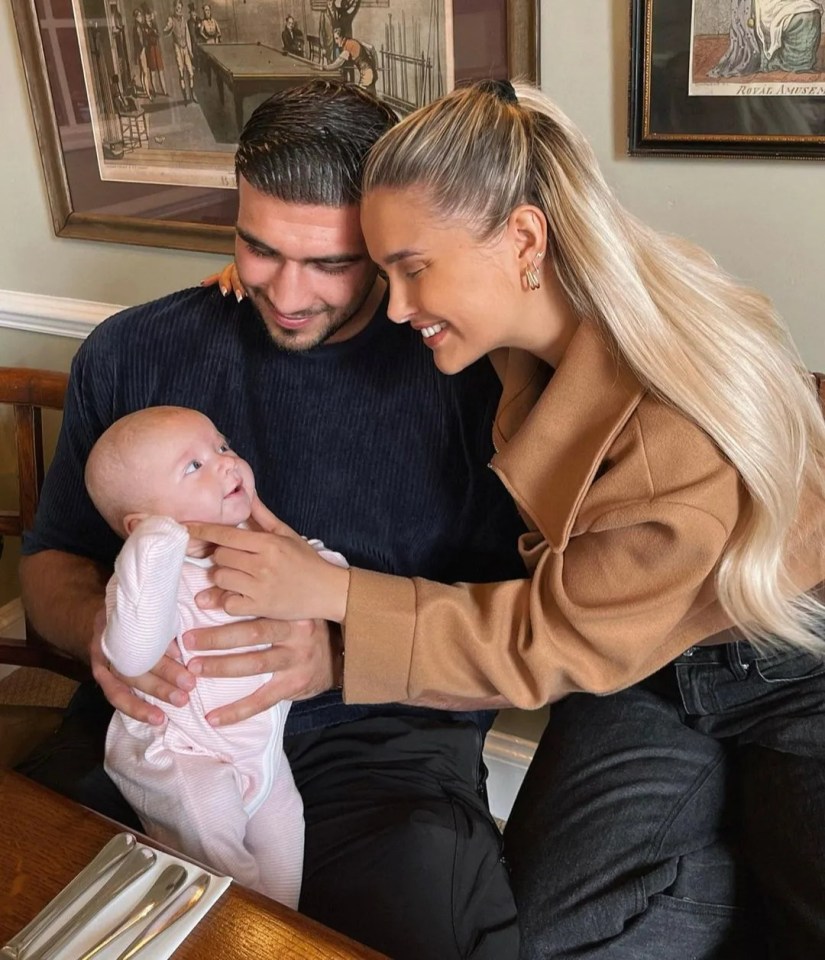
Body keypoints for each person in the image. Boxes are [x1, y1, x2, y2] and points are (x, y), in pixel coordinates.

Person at [191, 80, 825, 959]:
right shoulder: (533, 335)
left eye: (413, 269)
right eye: (382, 273)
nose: (401, 304)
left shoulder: (664, 427)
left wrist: (334, 598)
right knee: (557, 936)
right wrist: (272, 277)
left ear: (523, 240)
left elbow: (547, 640)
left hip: (790, 654)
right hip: (645, 669)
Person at [18, 80, 526, 960]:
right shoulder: (135, 351)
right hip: (160, 738)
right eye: (259, 249)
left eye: (330, 262)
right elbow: (52, 560)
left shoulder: (468, 376)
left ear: (385, 239)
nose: (288, 293)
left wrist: (341, 652)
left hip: (381, 745)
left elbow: (525, 638)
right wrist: (100, 639)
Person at [86, 406, 346, 906]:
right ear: (142, 526)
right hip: (181, 752)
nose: (226, 464)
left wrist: (322, 574)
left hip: (260, 752)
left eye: (222, 447)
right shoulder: (149, 579)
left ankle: (279, 927)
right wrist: (156, 548)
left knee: (285, 838)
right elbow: (132, 651)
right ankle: (233, 928)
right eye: (194, 466)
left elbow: (325, 578)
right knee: (216, 844)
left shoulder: (260, 540)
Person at [322, 26, 377, 92]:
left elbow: (338, 63)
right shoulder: (352, 41)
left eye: (337, 38)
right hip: (370, 72)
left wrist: (326, 67)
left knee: (361, 96)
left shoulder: (348, 46)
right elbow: (371, 48)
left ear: (342, 37)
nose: (336, 42)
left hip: (367, 75)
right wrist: (375, 66)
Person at [164, 0, 196, 103]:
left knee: (191, 73)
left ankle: (192, 95)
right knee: (181, 72)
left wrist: (190, 51)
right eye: (177, 8)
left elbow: (187, 37)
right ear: (174, 8)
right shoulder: (171, 19)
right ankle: (185, 97)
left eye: (180, 8)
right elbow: (165, 32)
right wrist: (170, 27)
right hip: (177, 48)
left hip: (185, 48)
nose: (178, 10)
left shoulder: (184, 20)